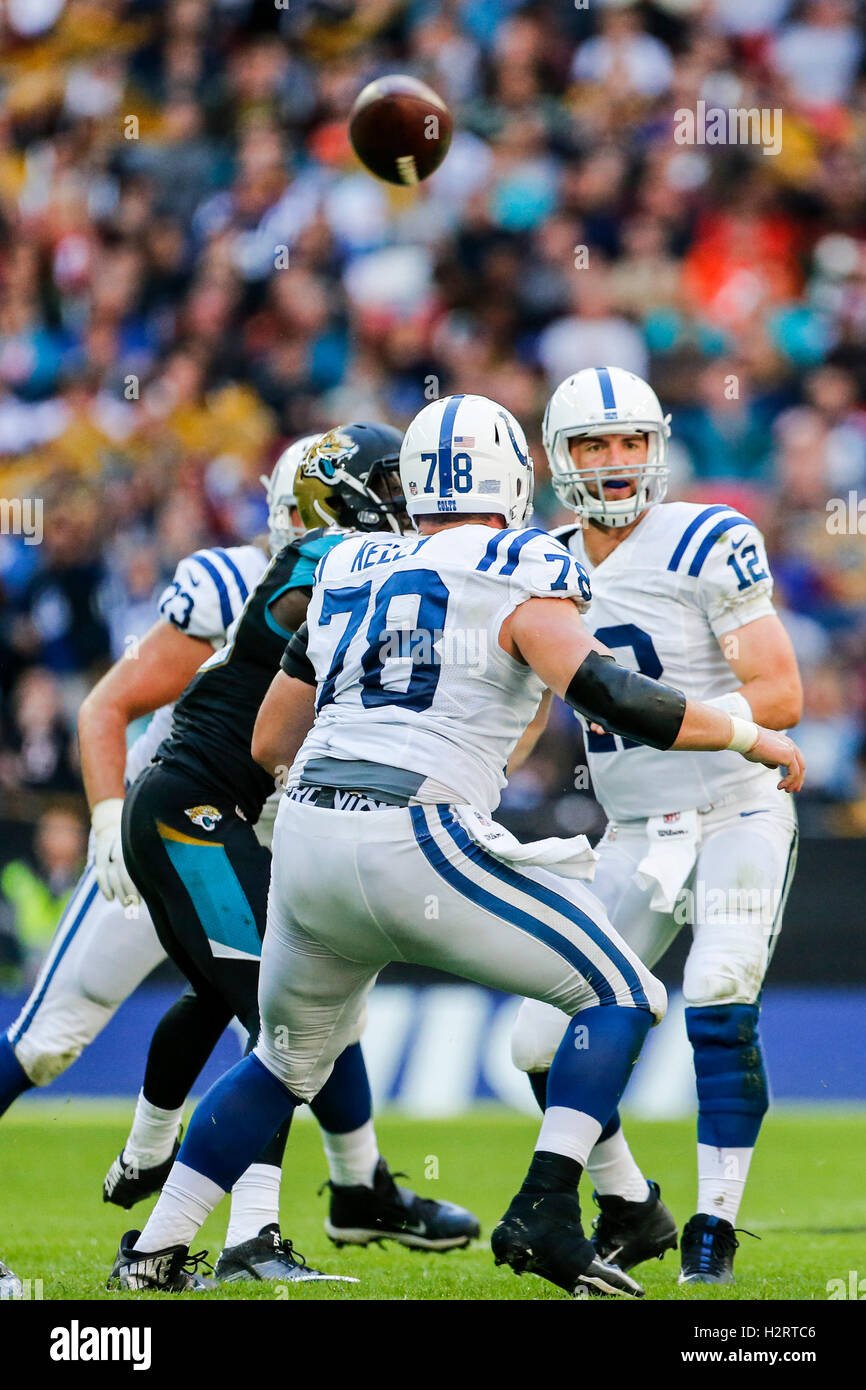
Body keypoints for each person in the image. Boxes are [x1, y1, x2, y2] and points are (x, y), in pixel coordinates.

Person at [107, 393, 803, 1299]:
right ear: (515, 470)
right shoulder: (521, 558)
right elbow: (612, 695)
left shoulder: (350, 560)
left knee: (283, 1059)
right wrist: (753, 737)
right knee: (624, 990)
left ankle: (156, 1255)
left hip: (312, 838)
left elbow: (272, 741)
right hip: (415, 831)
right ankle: (548, 1205)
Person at [109, 422, 480, 1284]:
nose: (405, 503)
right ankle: (246, 1239)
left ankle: (148, 1181)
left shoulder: (352, 561)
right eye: (388, 486)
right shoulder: (323, 559)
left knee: (227, 1001)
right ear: (339, 493)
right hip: (189, 811)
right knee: (280, 1023)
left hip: (199, 809)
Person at [511, 366, 803, 1284]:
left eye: (632, 440)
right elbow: (521, 719)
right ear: (561, 458)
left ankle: (713, 1233)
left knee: (719, 989)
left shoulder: (709, 536)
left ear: (658, 444)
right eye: (595, 444)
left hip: (734, 808)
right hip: (633, 832)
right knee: (533, 1041)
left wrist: (674, 714)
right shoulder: (542, 562)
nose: (616, 461)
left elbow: (782, 693)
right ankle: (632, 1205)